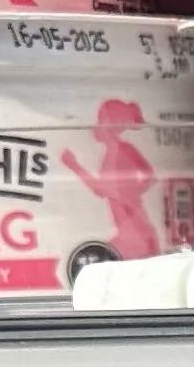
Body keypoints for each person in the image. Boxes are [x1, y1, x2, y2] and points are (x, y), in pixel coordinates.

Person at [64, 99, 171, 263]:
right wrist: (74, 166)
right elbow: (100, 190)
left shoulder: (124, 149)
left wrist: (127, 194)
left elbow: (149, 176)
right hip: (130, 231)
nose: (97, 126)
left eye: (101, 120)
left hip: (134, 232)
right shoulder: (109, 156)